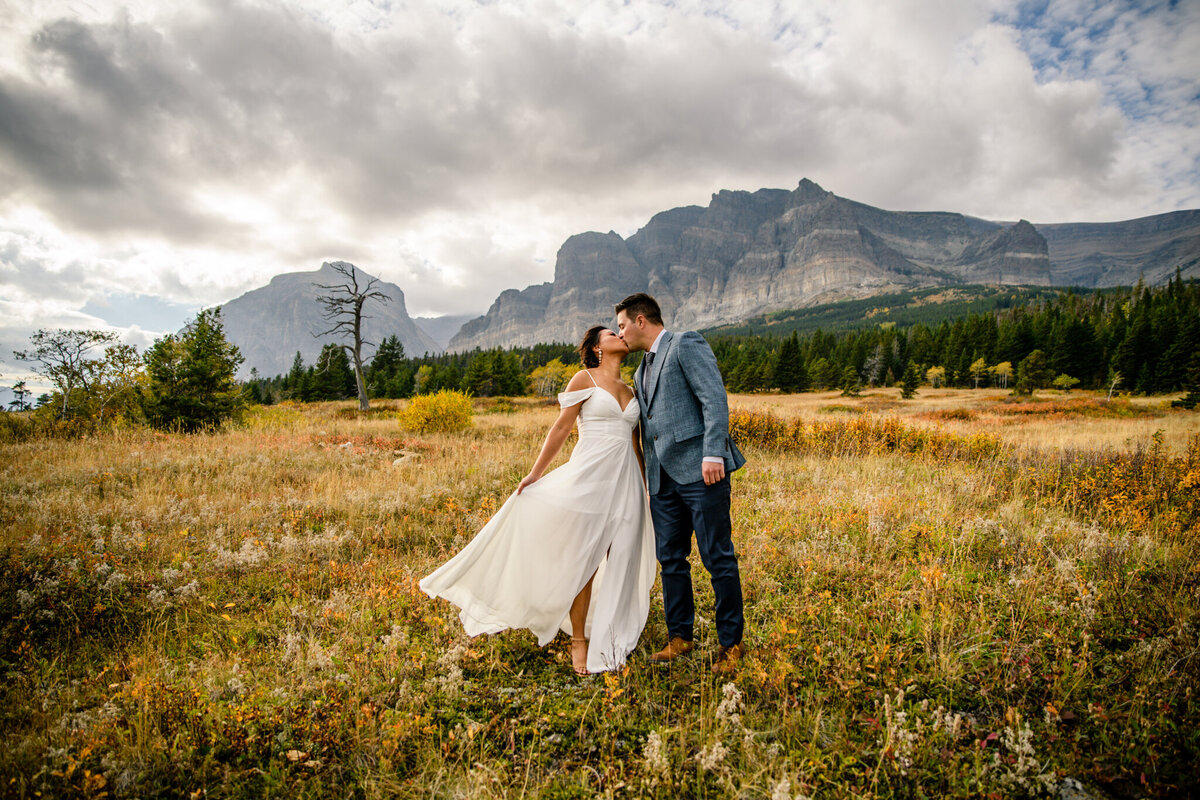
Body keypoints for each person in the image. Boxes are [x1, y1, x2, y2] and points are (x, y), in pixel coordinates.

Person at [419, 326, 656, 676]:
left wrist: (646, 488)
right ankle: (579, 640)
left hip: (628, 486)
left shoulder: (630, 388)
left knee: (621, 559)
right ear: (596, 347)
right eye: (610, 332)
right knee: (587, 560)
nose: (619, 334)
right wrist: (535, 473)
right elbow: (560, 428)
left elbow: (635, 446)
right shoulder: (583, 379)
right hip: (590, 481)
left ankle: (611, 631)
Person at [615, 293, 748, 675]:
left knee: (717, 557)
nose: (620, 333)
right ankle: (680, 637)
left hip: (701, 471)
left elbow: (713, 398)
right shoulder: (640, 370)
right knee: (671, 560)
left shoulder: (684, 343)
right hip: (662, 482)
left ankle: (731, 644)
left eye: (622, 325)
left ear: (641, 320)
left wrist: (713, 453)